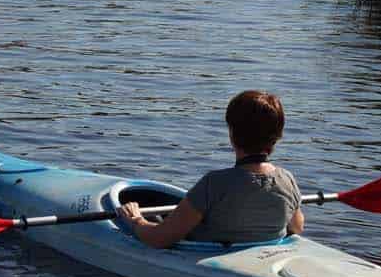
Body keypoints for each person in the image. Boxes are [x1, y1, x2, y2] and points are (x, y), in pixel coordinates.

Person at [117, 90, 305, 248]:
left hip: (206, 253)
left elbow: (159, 239)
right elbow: (296, 227)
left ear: (232, 134)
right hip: (262, 253)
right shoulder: (287, 179)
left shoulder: (215, 183)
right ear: (278, 136)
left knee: (156, 224)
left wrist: (136, 220)